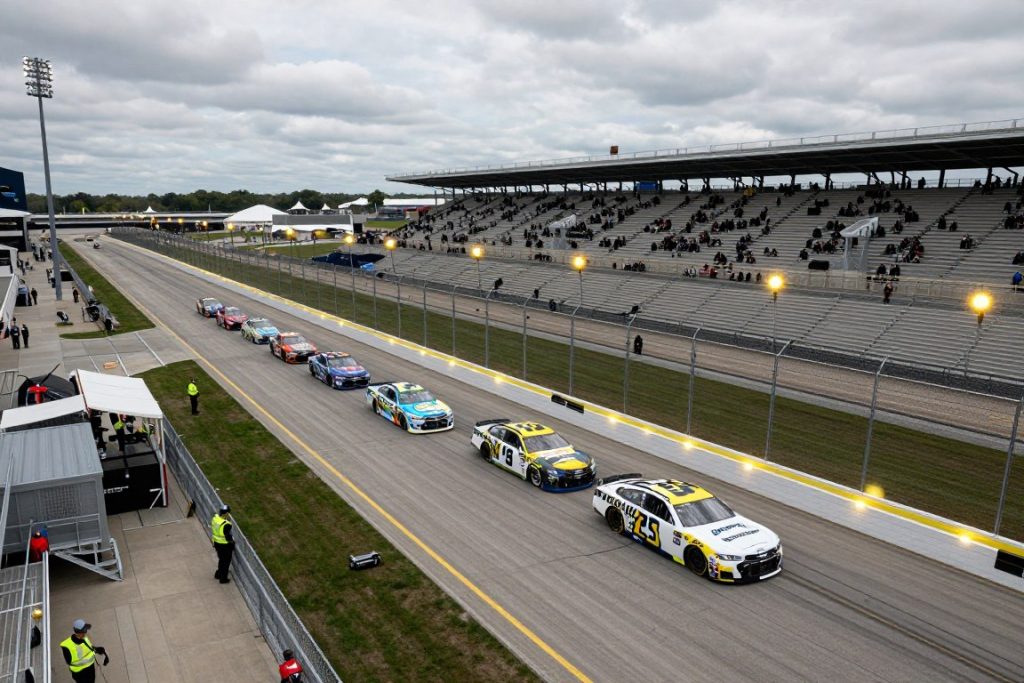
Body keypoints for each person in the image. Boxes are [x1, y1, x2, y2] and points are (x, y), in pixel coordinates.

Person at [211, 504, 235, 583]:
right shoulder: (226, 524)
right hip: (224, 545)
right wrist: (232, 542)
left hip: (216, 543)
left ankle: (218, 574)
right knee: (226, 562)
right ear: (226, 513)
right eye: (228, 513)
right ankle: (223, 578)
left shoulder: (215, 518)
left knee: (221, 559)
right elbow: (228, 537)